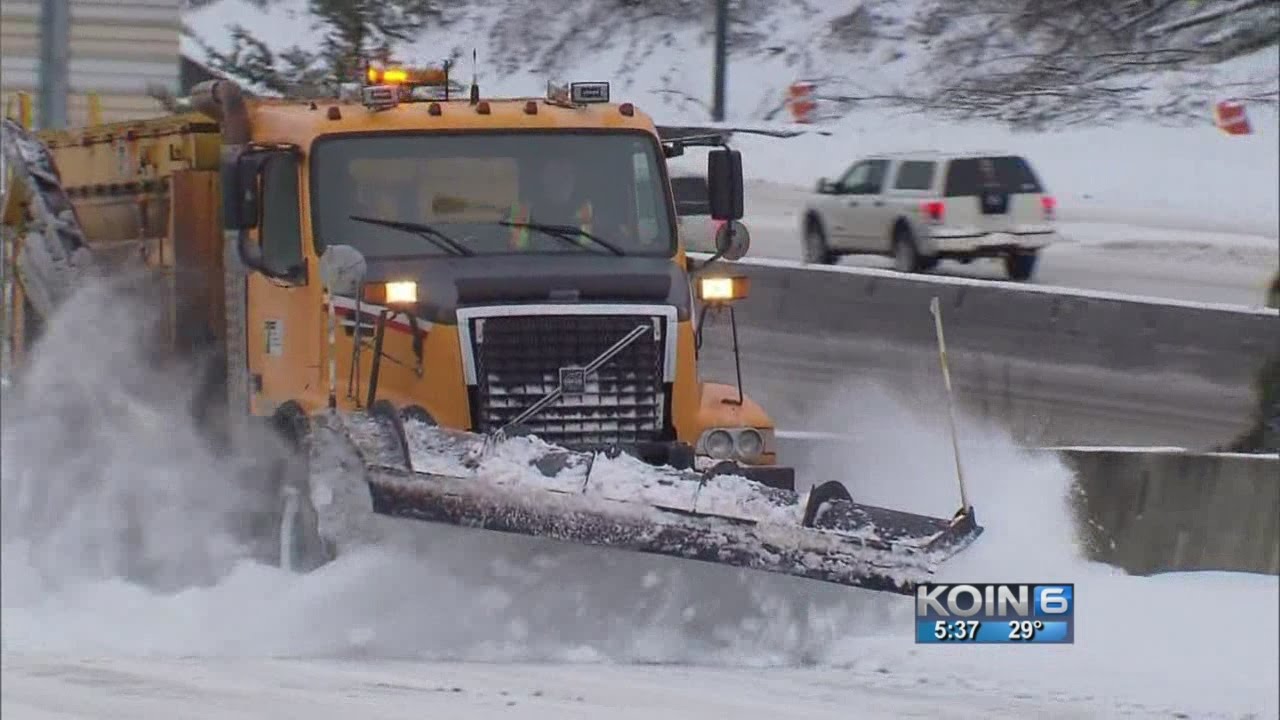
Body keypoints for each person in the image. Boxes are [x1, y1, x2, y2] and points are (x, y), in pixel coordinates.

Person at [506, 155, 599, 250]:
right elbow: (507, 252)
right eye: (556, 174)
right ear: (543, 178)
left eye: (568, 174)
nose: (564, 180)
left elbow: (598, 252)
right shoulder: (521, 212)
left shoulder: (588, 212)